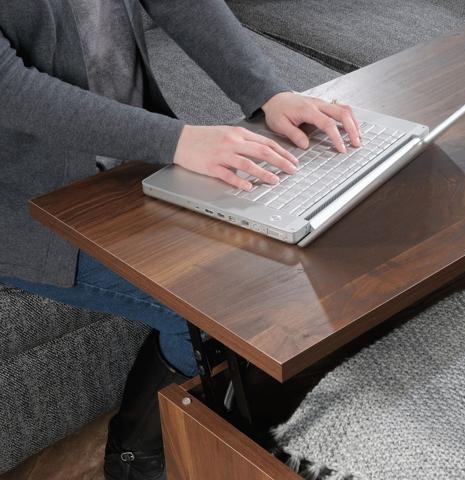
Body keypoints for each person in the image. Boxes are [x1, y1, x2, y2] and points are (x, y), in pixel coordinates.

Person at [0, 0, 361, 478]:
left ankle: (226, 442)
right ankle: (136, 461)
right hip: (27, 197)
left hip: (132, 163)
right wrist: (179, 141)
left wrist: (269, 92)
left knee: (284, 255)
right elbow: (10, 91)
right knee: (209, 306)